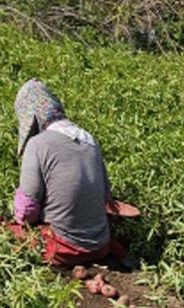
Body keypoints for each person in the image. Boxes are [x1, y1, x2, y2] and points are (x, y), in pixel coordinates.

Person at [12, 79, 131, 269]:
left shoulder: (37, 145)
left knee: (3, 230)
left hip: (64, 249)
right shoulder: (89, 139)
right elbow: (105, 197)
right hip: (100, 245)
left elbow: (27, 213)